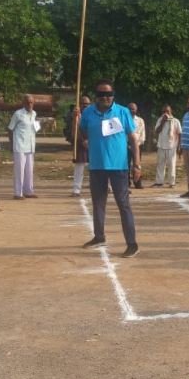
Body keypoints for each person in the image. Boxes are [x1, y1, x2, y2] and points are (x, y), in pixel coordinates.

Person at [79, 79, 141, 258]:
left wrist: (136, 164)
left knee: (123, 205)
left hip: (118, 167)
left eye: (108, 94)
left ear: (113, 95)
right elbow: (82, 131)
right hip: (97, 166)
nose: (105, 97)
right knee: (98, 203)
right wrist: (82, 134)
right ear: (96, 96)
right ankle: (99, 236)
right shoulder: (88, 113)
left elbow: (133, 140)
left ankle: (132, 243)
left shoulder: (122, 112)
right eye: (101, 94)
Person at [8, 94, 40, 199]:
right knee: (19, 170)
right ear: (23, 103)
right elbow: (10, 129)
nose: (30, 104)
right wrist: (11, 144)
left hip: (30, 146)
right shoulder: (18, 114)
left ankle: (29, 191)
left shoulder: (34, 114)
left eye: (31, 102)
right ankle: (18, 193)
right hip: (20, 145)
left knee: (29, 170)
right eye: (27, 102)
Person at [67, 96, 92, 197]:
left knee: (96, 167)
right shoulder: (76, 116)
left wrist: (89, 140)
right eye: (83, 104)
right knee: (79, 167)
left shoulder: (93, 114)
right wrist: (75, 118)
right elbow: (74, 132)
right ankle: (76, 189)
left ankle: (101, 186)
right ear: (79, 105)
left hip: (92, 143)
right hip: (80, 143)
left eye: (87, 104)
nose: (85, 106)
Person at [153, 104, 180, 187]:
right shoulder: (160, 120)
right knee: (160, 165)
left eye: (167, 111)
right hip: (161, 145)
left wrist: (179, 146)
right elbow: (157, 131)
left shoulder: (176, 121)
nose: (165, 113)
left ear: (171, 111)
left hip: (172, 146)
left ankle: (171, 183)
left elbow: (180, 133)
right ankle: (159, 182)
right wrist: (163, 122)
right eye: (164, 111)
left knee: (172, 165)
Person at [129, 102, 146, 189]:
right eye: (130, 109)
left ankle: (138, 183)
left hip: (137, 146)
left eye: (133, 109)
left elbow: (142, 135)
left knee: (137, 164)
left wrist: (137, 144)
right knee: (126, 165)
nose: (132, 110)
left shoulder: (140, 120)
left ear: (136, 110)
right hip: (126, 146)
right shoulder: (124, 119)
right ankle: (126, 183)